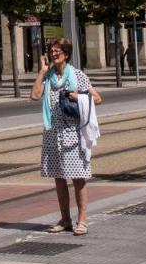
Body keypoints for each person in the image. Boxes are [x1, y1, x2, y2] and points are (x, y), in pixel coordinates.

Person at [30, 37, 100, 237]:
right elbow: (35, 96)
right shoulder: (47, 76)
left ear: (66, 54)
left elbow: (97, 98)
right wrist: (42, 72)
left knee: (79, 178)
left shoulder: (78, 75)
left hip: (73, 134)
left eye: (57, 51)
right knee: (59, 179)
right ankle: (65, 219)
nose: (53, 54)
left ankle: (82, 220)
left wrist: (79, 97)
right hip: (52, 133)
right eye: (51, 51)